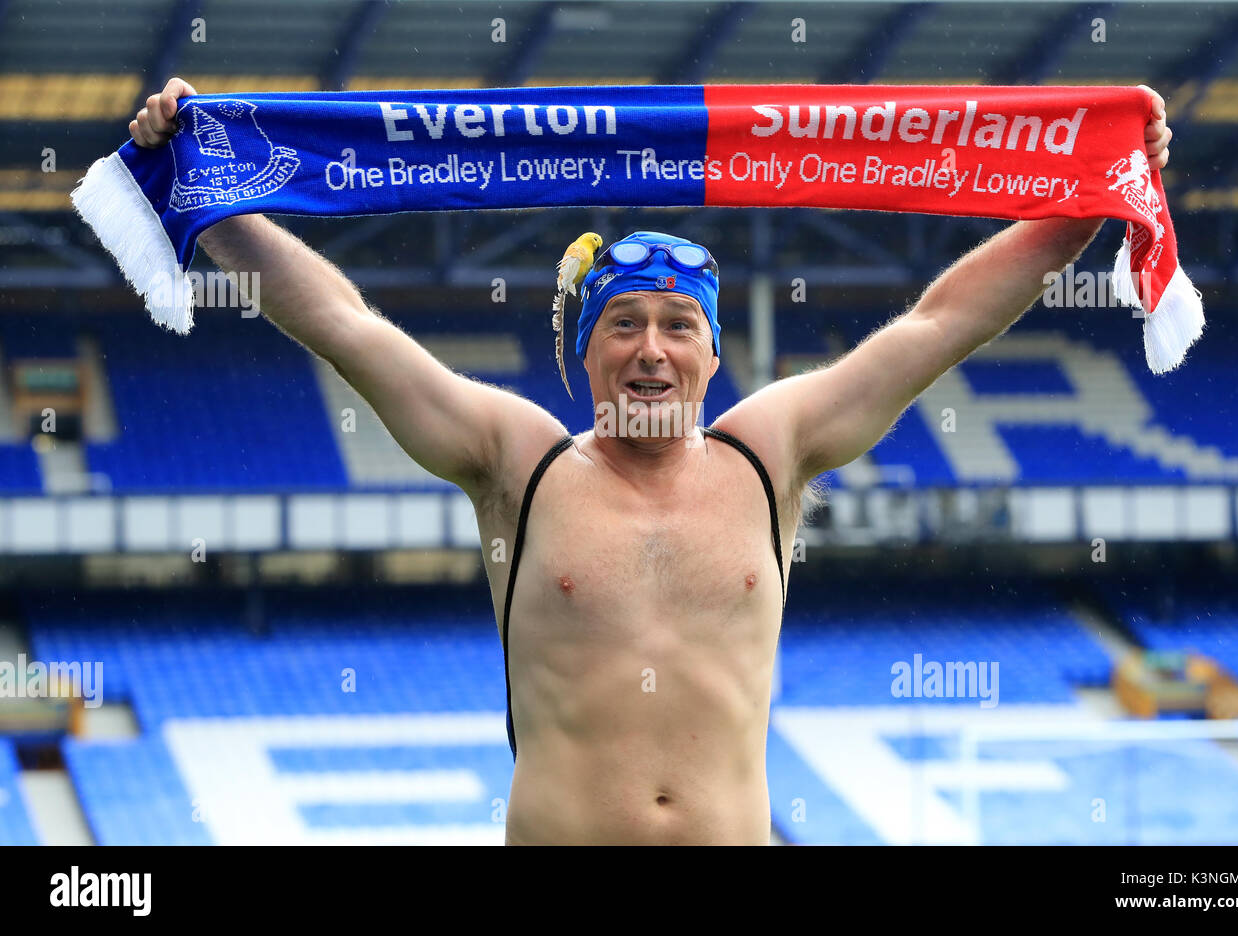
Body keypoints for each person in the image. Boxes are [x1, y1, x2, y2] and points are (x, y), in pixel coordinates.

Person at [129, 78, 1173, 845]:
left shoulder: (770, 452)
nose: (651, 348)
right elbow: (346, 323)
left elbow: (940, 322)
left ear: (715, 355)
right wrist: (209, 185)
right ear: (582, 351)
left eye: (680, 325)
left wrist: (1093, 190)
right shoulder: (517, 461)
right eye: (622, 323)